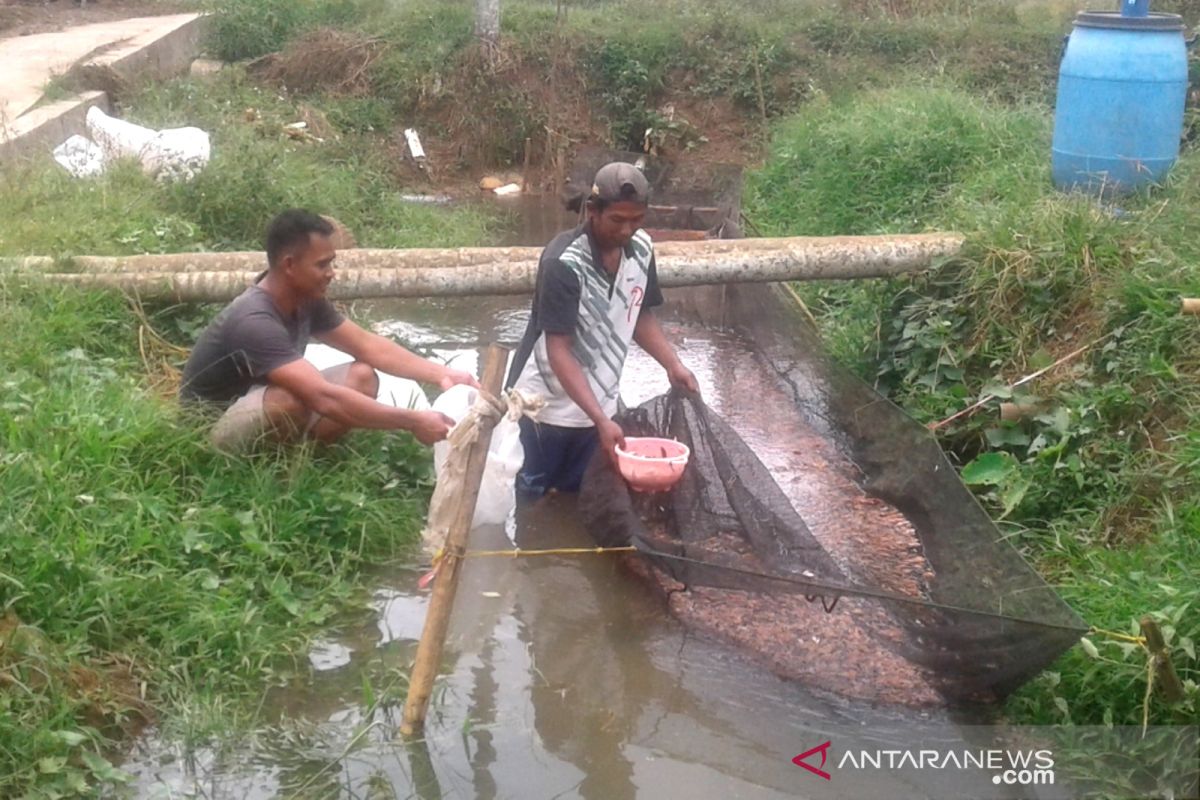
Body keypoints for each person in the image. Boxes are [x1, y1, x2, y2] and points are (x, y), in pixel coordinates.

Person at [180, 209, 477, 451]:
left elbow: (368, 346)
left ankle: (302, 458)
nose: (331, 273)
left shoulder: (305, 299)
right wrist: (413, 420)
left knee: (361, 375)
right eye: (322, 264)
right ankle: (263, 473)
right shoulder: (253, 320)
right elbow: (324, 398)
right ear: (289, 265)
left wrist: (442, 374)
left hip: (257, 403)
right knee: (290, 399)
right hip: (209, 430)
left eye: (331, 263)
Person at [506, 162, 699, 500]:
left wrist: (673, 365)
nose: (627, 231)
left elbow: (638, 313)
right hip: (545, 405)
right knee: (533, 496)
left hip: (600, 402)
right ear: (593, 212)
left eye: (636, 220)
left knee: (578, 497)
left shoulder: (641, 249)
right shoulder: (563, 263)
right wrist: (599, 418)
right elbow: (558, 349)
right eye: (617, 220)